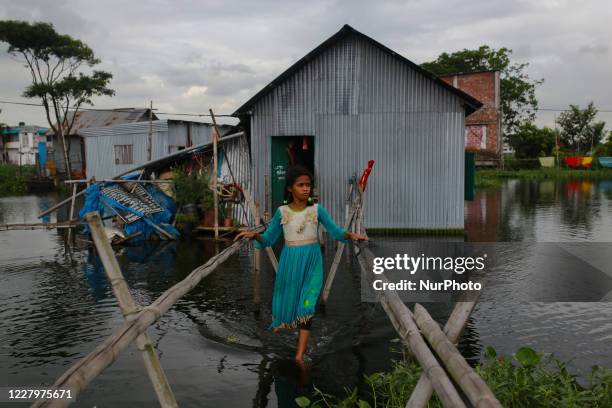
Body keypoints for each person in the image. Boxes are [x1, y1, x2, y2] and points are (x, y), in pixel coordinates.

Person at [234, 166, 368, 364]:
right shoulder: (282, 212)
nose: (306, 189)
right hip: (290, 264)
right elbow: (269, 240)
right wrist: (255, 235)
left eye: (308, 185)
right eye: (301, 185)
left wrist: (351, 235)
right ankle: (290, 328)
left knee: (307, 306)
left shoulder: (317, 210)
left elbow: (335, 232)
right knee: (290, 304)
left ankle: (299, 356)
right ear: (290, 188)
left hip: (312, 263)